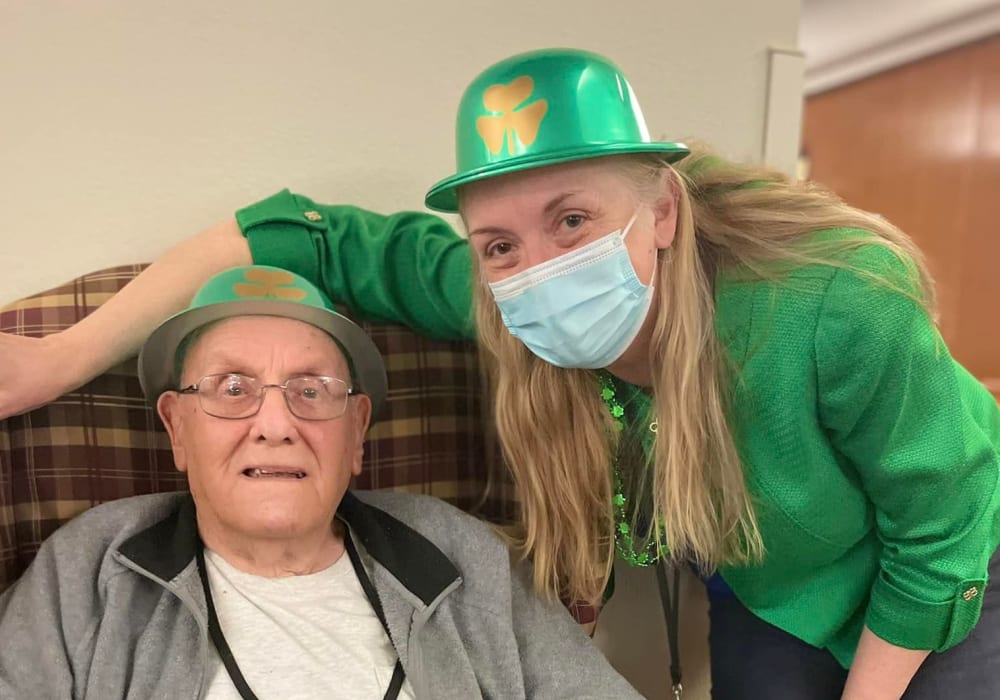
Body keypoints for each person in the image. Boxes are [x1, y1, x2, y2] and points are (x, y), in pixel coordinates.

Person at [1, 47, 998, 699]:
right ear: (171, 424)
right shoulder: (505, 302)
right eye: (499, 244)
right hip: (771, 583)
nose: (537, 270)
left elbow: (937, 537)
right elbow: (300, 233)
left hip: (951, 566)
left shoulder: (833, 306)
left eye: (572, 218)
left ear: (660, 212)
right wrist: (58, 360)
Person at [0, 264, 643, 700]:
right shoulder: (88, 572)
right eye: (232, 389)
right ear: (176, 428)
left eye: (312, 391)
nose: (276, 424)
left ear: (356, 432)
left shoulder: (465, 556)